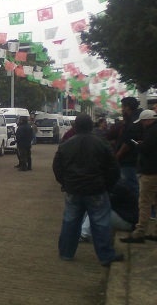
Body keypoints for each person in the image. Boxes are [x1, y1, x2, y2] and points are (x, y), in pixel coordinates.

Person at [52, 114, 123, 267]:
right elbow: (114, 168)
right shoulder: (102, 143)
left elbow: (57, 167)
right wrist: (108, 186)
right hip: (96, 190)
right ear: (91, 126)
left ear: (75, 127)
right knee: (101, 223)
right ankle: (105, 256)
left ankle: (66, 253)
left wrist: (65, 183)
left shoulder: (66, 144)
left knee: (70, 222)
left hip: (73, 190)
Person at [120, 110, 157, 243]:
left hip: (150, 172)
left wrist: (139, 145)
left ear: (147, 120)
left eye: (142, 122)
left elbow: (145, 149)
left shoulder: (152, 132)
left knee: (144, 203)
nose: (141, 125)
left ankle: (140, 232)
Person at [116, 97, 143, 195]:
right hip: (129, 161)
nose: (122, 109)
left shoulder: (134, 121)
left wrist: (118, 155)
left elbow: (128, 142)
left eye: (122, 107)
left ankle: (140, 208)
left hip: (128, 161)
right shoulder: (131, 119)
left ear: (128, 107)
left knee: (132, 187)